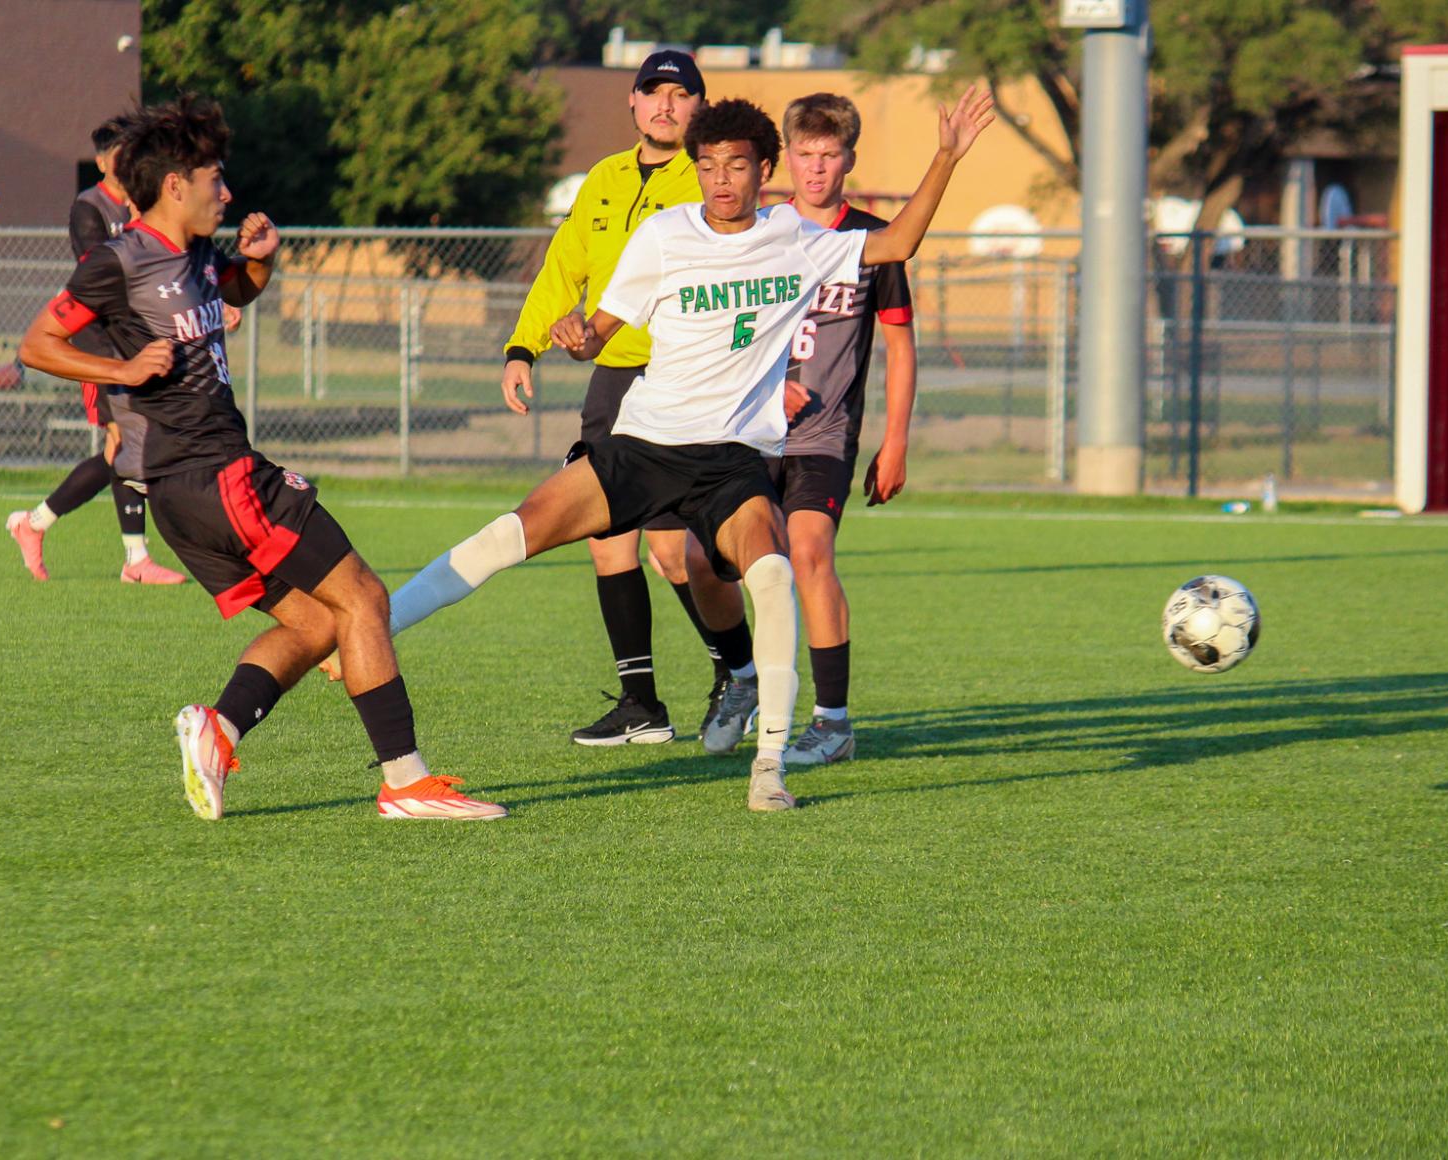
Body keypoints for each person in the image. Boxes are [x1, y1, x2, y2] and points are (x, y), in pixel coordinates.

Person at [385, 90, 993, 812]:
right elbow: (604, 329)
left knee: (771, 574)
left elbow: (897, 244)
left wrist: (948, 154)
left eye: (736, 166)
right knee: (508, 534)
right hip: (642, 446)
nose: (721, 181)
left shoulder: (794, 238)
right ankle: (375, 626)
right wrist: (578, 336)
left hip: (730, 461)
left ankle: (769, 769)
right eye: (708, 166)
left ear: (764, 170)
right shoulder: (666, 234)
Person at [19, 95, 504, 822]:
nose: (227, 191)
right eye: (215, 177)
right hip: (219, 477)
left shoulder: (196, 256)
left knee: (316, 624)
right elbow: (36, 346)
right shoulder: (118, 260)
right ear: (175, 183)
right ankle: (405, 783)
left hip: (189, 496)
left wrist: (260, 263)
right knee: (365, 598)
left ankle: (219, 728)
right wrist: (121, 373)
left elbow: (233, 291)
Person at [498, 49, 752, 748]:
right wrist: (523, 348)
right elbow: (562, 269)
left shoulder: (710, 182)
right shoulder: (605, 179)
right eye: (653, 93)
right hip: (611, 381)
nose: (665, 106)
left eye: (680, 95)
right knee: (605, 537)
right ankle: (641, 702)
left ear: (699, 108)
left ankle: (738, 676)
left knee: (676, 556)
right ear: (633, 103)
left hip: (679, 381)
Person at [697, 93, 920, 767]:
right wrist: (761, 381)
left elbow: (901, 346)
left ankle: (833, 721)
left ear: (849, 158)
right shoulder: (762, 230)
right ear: (782, 159)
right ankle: (740, 677)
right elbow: (722, 325)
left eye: (830, 156)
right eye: (805, 155)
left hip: (824, 437)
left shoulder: (871, 240)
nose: (817, 169)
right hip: (747, 430)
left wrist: (898, 439)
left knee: (809, 553)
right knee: (697, 561)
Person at [6, 116, 188, 585]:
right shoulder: (89, 208)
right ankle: (130, 557)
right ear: (105, 160)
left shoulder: (145, 205)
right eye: (123, 153)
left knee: (124, 447)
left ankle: (41, 525)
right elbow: (101, 273)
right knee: (123, 444)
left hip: (133, 340)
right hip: (98, 343)